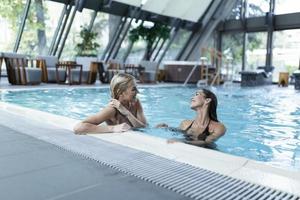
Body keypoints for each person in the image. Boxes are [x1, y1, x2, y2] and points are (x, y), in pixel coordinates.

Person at [74, 73, 147, 134]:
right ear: (121, 92)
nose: (138, 92)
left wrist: (126, 113)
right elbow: (78, 128)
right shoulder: (112, 109)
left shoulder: (135, 102)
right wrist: (113, 128)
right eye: (133, 89)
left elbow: (144, 127)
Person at [156, 88, 226, 147]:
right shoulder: (185, 124)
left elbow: (207, 142)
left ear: (207, 100)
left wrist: (184, 142)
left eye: (197, 94)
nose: (192, 98)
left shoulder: (218, 127)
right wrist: (166, 128)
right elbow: (178, 132)